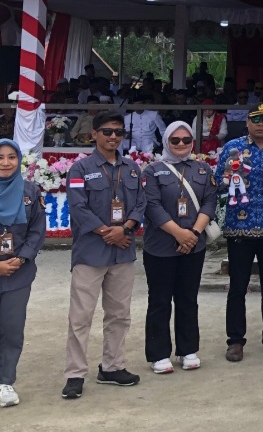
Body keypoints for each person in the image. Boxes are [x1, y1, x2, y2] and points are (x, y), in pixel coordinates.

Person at [62, 111, 147, 399]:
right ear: (94, 134)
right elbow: (78, 207)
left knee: (119, 315)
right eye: (107, 132)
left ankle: (112, 367)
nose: (113, 137)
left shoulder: (132, 169)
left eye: (119, 132)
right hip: (91, 253)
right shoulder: (80, 169)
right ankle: (75, 374)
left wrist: (124, 229)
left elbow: (140, 204)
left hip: (122, 253)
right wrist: (107, 232)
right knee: (80, 317)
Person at [214, 103, 263, 363]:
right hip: (240, 227)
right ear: (247, 123)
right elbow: (218, 183)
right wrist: (227, 176)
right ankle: (235, 341)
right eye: (255, 119)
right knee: (238, 287)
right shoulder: (233, 148)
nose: (260, 124)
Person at [140, 122, 217, 375]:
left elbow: (209, 202)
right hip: (161, 246)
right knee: (160, 300)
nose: (181, 144)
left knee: (188, 299)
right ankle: (159, 353)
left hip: (193, 246)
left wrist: (193, 234)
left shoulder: (203, 169)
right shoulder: (152, 171)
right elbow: (152, 206)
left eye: (186, 140)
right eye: (175, 140)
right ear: (166, 142)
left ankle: (188, 349)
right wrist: (179, 234)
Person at [0, 140, 45, 408]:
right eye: (0, 157)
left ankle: (5, 381)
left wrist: (22, 258)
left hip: (18, 273)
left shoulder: (29, 191)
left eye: (11, 157)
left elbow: (37, 230)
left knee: (12, 329)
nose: (5, 163)